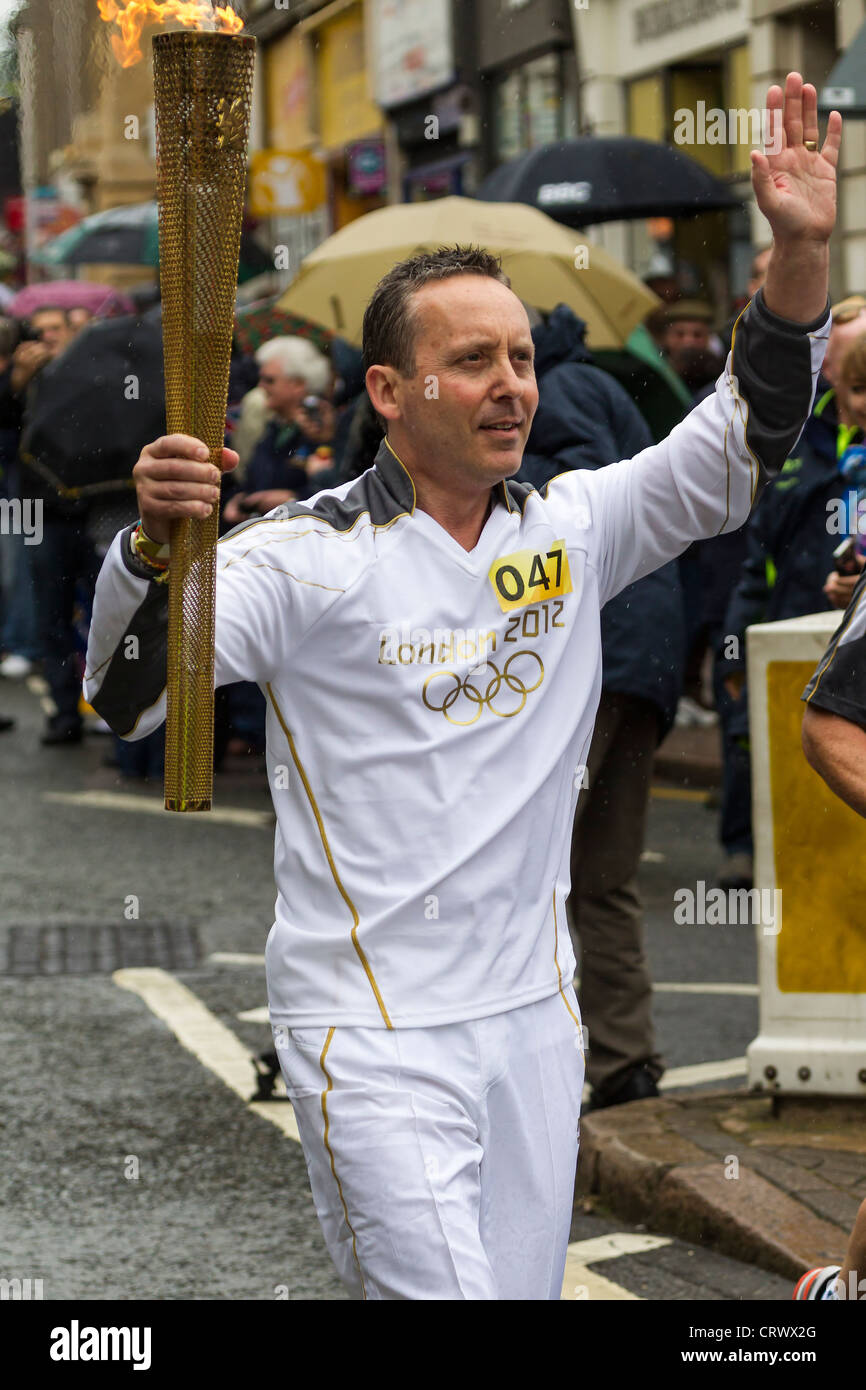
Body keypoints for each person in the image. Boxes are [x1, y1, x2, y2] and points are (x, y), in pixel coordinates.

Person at [83, 74, 838, 1301]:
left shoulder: (573, 526)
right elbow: (130, 701)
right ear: (390, 392)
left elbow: (745, 439)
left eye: (521, 357)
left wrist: (798, 254)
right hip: (370, 1031)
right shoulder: (303, 560)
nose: (510, 383)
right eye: (471, 359)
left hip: (535, 1021)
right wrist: (146, 550)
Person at [517, 301, 681, 1107]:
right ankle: (625, 1061)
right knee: (604, 873)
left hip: (593, 651)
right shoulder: (593, 379)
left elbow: (568, 498)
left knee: (530, 866)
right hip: (642, 652)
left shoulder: (562, 389)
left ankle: (532, 1066)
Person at [718, 300, 866, 887]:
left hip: (841, 636)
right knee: (767, 751)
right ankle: (746, 852)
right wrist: (736, 637)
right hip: (794, 634)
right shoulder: (803, 439)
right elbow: (759, 555)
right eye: (856, 385)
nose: (862, 402)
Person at [222, 336, 336, 524]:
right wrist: (237, 500)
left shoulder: (324, 428)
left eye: (269, 380)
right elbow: (250, 481)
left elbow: (338, 489)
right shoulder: (275, 427)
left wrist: (293, 499)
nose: (261, 386)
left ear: (298, 385)